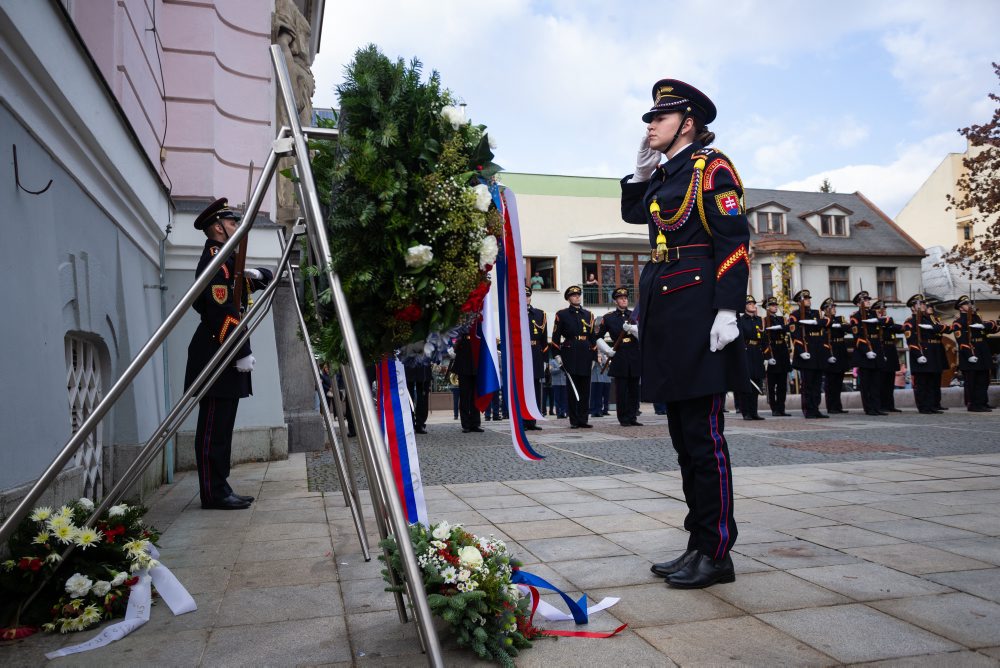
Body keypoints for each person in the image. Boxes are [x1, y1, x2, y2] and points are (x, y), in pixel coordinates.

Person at [622, 79, 749, 588]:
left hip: (699, 313)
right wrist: (639, 173)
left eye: (660, 118)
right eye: (650, 118)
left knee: (704, 439)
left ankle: (718, 552)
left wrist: (727, 310)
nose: (650, 125)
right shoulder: (668, 172)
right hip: (668, 314)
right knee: (683, 440)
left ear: (688, 124)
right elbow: (635, 215)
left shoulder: (712, 168)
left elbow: (735, 241)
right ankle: (698, 543)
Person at [185, 198, 273, 510]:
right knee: (212, 428)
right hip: (215, 352)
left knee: (222, 426)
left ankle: (220, 486)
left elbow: (257, 280)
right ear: (219, 228)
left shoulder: (228, 260)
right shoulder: (215, 262)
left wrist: (256, 273)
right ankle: (213, 492)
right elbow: (223, 313)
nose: (236, 226)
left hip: (225, 353)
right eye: (232, 223)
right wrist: (241, 351)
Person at [550, 285, 597, 428]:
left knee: (585, 389)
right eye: (574, 295)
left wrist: (594, 356)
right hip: (570, 353)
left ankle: (583, 419)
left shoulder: (588, 314)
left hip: (586, 353)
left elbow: (593, 337)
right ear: (569, 298)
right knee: (572, 389)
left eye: (578, 295)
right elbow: (555, 337)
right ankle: (574, 420)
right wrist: (557, 355)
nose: (577, 297)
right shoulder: (562, 314)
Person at [595, 287, 643, 426]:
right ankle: (623, 418)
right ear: (616, 301)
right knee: (621, 390)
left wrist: (633, 329)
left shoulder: (634, 316)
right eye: (621, 298)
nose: (624, 300)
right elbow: (598, 337)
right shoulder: (609, 318)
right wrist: (607, 350)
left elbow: (643, 335)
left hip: (634, 355)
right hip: (620, 355)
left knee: (634, 389)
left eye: (626, 298)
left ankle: (633, 416)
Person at [951, 295, 999, 412]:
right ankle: (972, 404)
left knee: (984, 380)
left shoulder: (977, 318)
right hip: (971, 352)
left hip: (982, 351)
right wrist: (969, 355)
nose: (970, 306)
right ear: (961, 308)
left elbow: (994, 327)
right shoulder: (958, 322)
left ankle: (983, 402)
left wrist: (983, 325)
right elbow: (961, 341)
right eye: (967, 304)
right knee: (972, 381)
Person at [787, 290, 829, 419]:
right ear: (799, 301)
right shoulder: (795, 315)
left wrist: (816, 323)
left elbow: (827, 323)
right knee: (808, 385)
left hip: (818, 353)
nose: (808, 300)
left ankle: (816, 408)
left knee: (817, 385)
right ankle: (808, 409)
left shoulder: (817, 313)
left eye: (808, 298)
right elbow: (795, 336)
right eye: (805, 298)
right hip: (807, 352)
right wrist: (801, 352)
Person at [850, 290, 886, 415]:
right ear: (859, 304)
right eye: (865, 300)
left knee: (876, 383)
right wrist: (866, 351)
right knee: (866, 384)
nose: (868, 301)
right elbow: (857, 337)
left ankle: (877, 407)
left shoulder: (874, 314)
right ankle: (869, 408)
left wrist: (879, 321)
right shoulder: (855, 317)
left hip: (876, 349)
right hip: (864, 353)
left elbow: (887, 322)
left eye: (868, 299)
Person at [737, 295, 766, 420]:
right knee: (747, 383)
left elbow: (764, 338)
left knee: (757, 383)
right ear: (745, 307)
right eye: (749, 304)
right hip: (746, 352)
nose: (753, 305)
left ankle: (754, 412)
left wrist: (766, 355)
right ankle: (746, 412)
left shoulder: (760, 320)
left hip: (757, 352)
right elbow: (738, 337)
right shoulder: (741, 320)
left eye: (753, 303)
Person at [762, 296, 791, 416]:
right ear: (767, 308)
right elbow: (763, 340)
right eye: (772, 305)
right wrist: (768, 356)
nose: (775, 307)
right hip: (772, 351)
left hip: (782, 352)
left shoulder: (782, 319)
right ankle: (774, 408)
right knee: (771, 384)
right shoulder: (764, 320)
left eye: (775, 305)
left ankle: (781, 407)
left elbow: (790, 328)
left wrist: (781, 327)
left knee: (782, 384)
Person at [451, 328, 484, 432]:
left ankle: (475, 423)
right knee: (464, 395)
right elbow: (455, 346)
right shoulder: (461, 324)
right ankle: (465, 424)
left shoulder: (478, 323)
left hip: (476, 363)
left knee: (475, 395)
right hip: (464, 363)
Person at [821, 297, 850, 414]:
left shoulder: (840, 319)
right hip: (831, 350)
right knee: (830, 383)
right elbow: (822, 338)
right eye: (831, 307)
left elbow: (849, 328)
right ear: (826, 309)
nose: (834, 309)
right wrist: (827, 354)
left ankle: (838, 406)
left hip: (841, 350)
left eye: (834, 307)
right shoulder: (823, 320)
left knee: (839, 382)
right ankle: (831, 406)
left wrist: (839, 326)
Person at [524, 286, 548, 430]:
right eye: (523, 295)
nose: (525, 298)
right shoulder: (515, 313)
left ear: (530, 297)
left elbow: (544, 340)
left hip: (536, 354)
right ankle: (522, 419)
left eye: (527, 295)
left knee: (535, 388)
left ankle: (532, 420)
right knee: (523, 388)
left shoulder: (540, 314)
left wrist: (545, 359)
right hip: (522, 354)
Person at [874, 299, 903, 412]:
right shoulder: (876, 323)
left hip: (891, 351)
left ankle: (890, 405)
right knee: (881, 381)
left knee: (890, 382)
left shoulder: (889, 321)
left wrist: (890, 325)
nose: (884, 310)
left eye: (884, 308)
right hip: (882, 350)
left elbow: (898, 327)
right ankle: (881, 405)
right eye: (881, 308)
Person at [925, 303, 950, 411]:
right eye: (928, 307)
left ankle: (937, 403)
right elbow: (938, 329)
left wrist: (938, 327)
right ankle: (931, 403)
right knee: (930, 380)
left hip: (938, 348)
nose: (931, 308)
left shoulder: (935, 319)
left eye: (931, 307)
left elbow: (947, 329)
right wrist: (939, 328)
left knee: (937, 379)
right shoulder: (923, 320)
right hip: (930, 348)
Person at [404, 359, 432, 434]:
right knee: (408, 396)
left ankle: (420, 423)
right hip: (408, 361)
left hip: (423, 364)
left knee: (423, 397)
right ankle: (409, 423)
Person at [549, 354, 568, 418]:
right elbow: (551, 371)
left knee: (563, 399)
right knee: (557, 399)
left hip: (564, 382)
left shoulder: (564, 361)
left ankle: (563, 412)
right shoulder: (552, 361)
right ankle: (558, 413)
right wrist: (560, 368)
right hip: (556, 383)